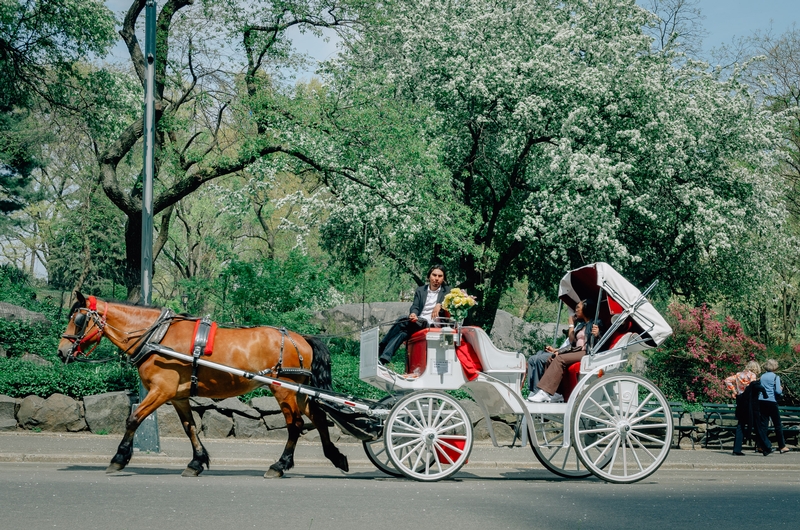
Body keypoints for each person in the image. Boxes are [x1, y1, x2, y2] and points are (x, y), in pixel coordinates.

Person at [529, 298, 603, 403]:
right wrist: (571, 324)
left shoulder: (596, 323)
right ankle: (556, 393)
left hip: (586, 352)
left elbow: (602, 340)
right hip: (576, 350)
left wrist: (597, 334)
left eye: (578, 308)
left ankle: (544, 392)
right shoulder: (581, 325)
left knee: (559, 359)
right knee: (552, 358)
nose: (576, 310)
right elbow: (572, 340)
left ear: (586, 309)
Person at [378, 265, 451, 365]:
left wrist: (440, 304)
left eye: (440, 276)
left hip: (432, 324)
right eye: (434, 275)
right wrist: (413, 314)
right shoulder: (420, 290)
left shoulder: (447, 291)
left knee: (402, 319)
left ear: (443, 278)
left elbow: (452, 301)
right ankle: (383, 359)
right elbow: (415, 306)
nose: (436, 278)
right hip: (419, 321)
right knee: (403, 333)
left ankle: (381, 347)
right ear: (429, 276)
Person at [724, 360, 768, 456]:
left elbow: (727, 380)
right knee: (756, 423)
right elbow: (752, 386)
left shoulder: (738, 375)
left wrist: (734, 391)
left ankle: (737, 449)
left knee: (741, 424)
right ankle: (765, 447)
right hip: (749, 401)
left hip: (740, 399)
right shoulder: (752, 376)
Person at [759, 359, 789, 455]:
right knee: (777, 425)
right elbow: (778, 392)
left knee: (763, 424)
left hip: (761, 401)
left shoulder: (762, 376)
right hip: (771, 401)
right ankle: (782, 446)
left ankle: (760, 445)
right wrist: (780, 389)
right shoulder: (776, 377)